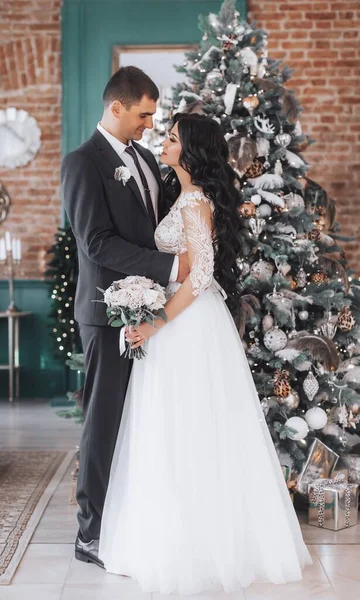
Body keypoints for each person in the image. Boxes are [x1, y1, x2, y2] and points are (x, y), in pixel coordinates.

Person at [99, 113, 312, 594]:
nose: (164, 143)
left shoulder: (194, 201)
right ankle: (172, 536)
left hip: (187, 325)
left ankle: (195, 546)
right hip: (185, 321)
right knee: (174, 427)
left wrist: (155, 322)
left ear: (191, 151)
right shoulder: (184, 196)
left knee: (188, 427)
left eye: (171, 138)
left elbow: (200, 274)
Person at [61, 67, 190, 567]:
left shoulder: (142, 159)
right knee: (105, 421)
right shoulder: (82, 163)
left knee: (144, 418)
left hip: (155, 311)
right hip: (106, 314)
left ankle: (131, 522)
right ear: (116, 107)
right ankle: (89, 533)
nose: (149, 125)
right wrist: (168, 267)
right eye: (143, 114)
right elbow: (95, 243)